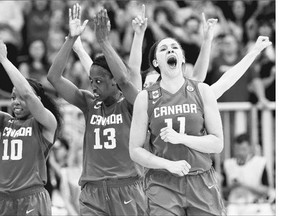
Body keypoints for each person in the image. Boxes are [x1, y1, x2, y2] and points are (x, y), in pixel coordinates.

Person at [47, 4, 146, 215]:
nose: (93, 85)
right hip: (92, 189)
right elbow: (53, 78)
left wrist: (103, 41)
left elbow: (125, 80)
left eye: (99, 81)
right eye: (91, 80)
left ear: (113, 82)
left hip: (126, 186)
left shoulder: (132, 103)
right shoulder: (90, 103)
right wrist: (71, 40)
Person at [129, 36, 226, 215]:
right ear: (156, 62)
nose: (170, 50)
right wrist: (167, 164)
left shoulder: (201, 90)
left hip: (200, 178)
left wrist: (181, 138)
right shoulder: (145, 97)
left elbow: (217, 143)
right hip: (162, 181)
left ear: (182, 58)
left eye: (174, 47)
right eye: (164, 49)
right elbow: (135, 150)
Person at [0, 40, 61, 216]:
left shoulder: (45, 123)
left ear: (38, 101)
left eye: (21, 98)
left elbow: (28, 93)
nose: (16, 102)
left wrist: (4, 60)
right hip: (3, 199)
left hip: (31, 198)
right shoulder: (4, 121)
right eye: (12, 98)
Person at [222, 133, 275, 215]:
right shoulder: (228, 164)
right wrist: (232, 186)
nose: (240, 153)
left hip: (255, 206)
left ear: (250, 148)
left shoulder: (260, 163)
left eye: (243, 149)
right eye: (237, 149)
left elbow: (266, 190)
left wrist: (245, 185)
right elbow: (223, 190)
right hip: (234, 207)